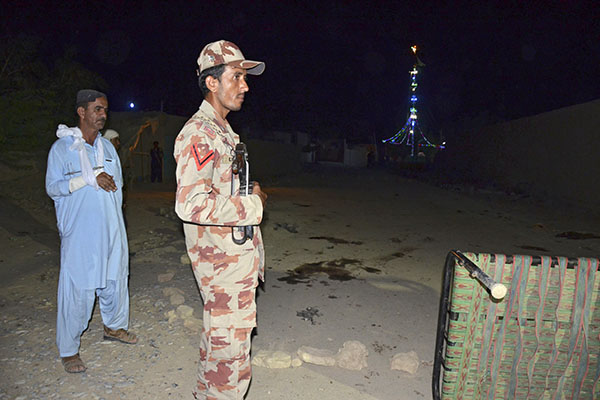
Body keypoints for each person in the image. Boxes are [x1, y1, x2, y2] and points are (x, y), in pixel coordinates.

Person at [173, 40, 267, 399]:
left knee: (221, 354)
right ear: (212, 82)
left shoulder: (223, 132)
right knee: (229, 365)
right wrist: (253, 205)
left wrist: (245, 191)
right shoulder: (200, 133)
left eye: (245, 78)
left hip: (233, 263)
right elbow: (191, 203)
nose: (245, 86)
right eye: (237, 77)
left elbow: (219, 188)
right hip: (221, 266)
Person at [46, 90, 137, 374]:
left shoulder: (108, 149)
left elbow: (118, 187)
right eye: (97, 109)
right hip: (81, 232)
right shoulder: (63, 149)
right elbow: (53, 187)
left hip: (110, 226)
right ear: (81, 112)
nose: (102, 114)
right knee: (79, 287)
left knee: (114, 278)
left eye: (105, 110)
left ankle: (113, 327)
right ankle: (69, 349)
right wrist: (86, 180)